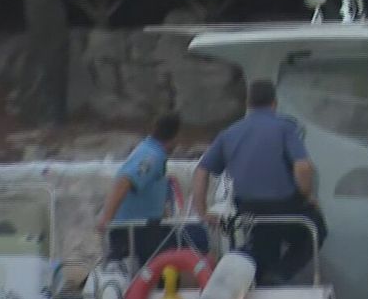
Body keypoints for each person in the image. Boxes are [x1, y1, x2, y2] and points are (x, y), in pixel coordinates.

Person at [189, 80, 327, 286]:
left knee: (264, 244)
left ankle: (255, 278)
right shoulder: (285, 128)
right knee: (316, 230)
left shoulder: (229, 133)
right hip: (284, 207)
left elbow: (201, 170)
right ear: (274, 103)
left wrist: (202, 211)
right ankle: (280, 274)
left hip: (249, 210)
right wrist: (307, 195)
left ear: (248, 103)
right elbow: (303, 166)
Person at [96, 112, 206, 267]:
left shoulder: (151, 151)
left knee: (192, 234)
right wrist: (106, 219)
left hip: (148, 228)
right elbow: (124, 181)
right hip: (137, 232)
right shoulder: (151, 157)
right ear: (175, 137)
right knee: (199, 238)